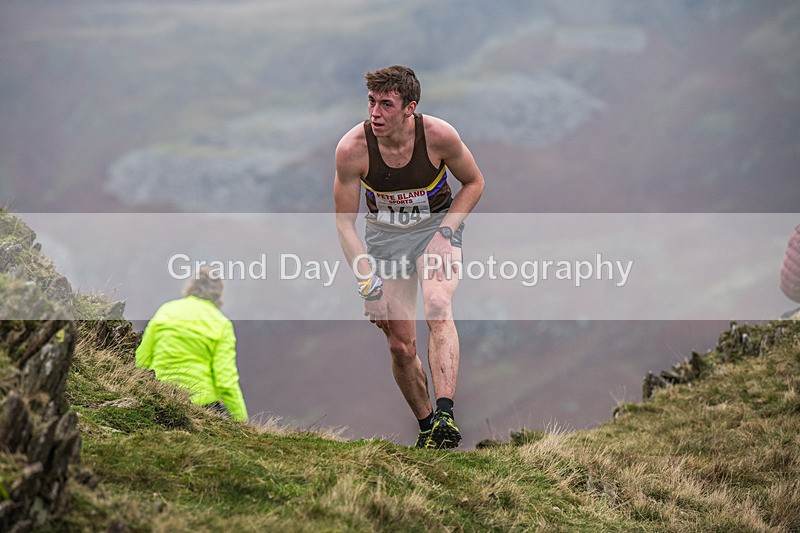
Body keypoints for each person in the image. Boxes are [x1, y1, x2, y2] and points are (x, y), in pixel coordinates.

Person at [334, 65, 485, 448]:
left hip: (436, 231)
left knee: (437, 306)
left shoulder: (438, 136)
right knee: (401, 346)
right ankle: (427, 428)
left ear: (409, 108)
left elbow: (474, 182)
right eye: (371, 102)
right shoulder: (353, 149)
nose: (375, 113)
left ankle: (446, 415)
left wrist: (446, 233)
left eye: (386, 104)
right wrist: (368, 285)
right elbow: (345, 225)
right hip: (385, 242)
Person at [135, 267, 249, 421]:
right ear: (218, 294)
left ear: (191, 286)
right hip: (201, 406)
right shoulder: (221, 324)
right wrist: (242, 421)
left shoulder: (166, 310)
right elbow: (225, 380)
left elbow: (142, 358)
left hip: (159, 395)